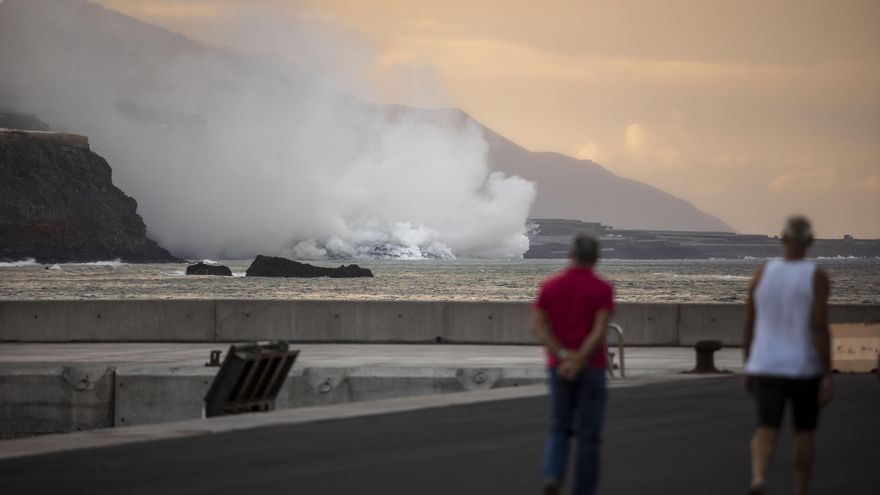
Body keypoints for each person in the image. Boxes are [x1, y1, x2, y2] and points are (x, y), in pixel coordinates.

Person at [743, 215, 833, 495]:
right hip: (803, 367)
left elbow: (750, 321)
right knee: (804, 433)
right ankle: (801, 490)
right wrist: (827, 372)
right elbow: (819, 328)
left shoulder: (762, 273)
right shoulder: (816, 276)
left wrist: (748, 362)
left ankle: (758, 476)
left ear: (782, 238)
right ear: (810, 241)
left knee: (766, 428)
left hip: (767, 364)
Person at [531, 233, 613, 495]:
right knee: (589, 435)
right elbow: (599, 331)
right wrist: (580, 359)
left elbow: (538, 328)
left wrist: (564, 356)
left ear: (571, 254)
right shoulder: (603, 289)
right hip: (593, 367)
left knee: (559, 427)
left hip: (559, 367)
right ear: (596, 257)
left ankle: (553, 474)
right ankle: (583, 490)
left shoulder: (549, 286)